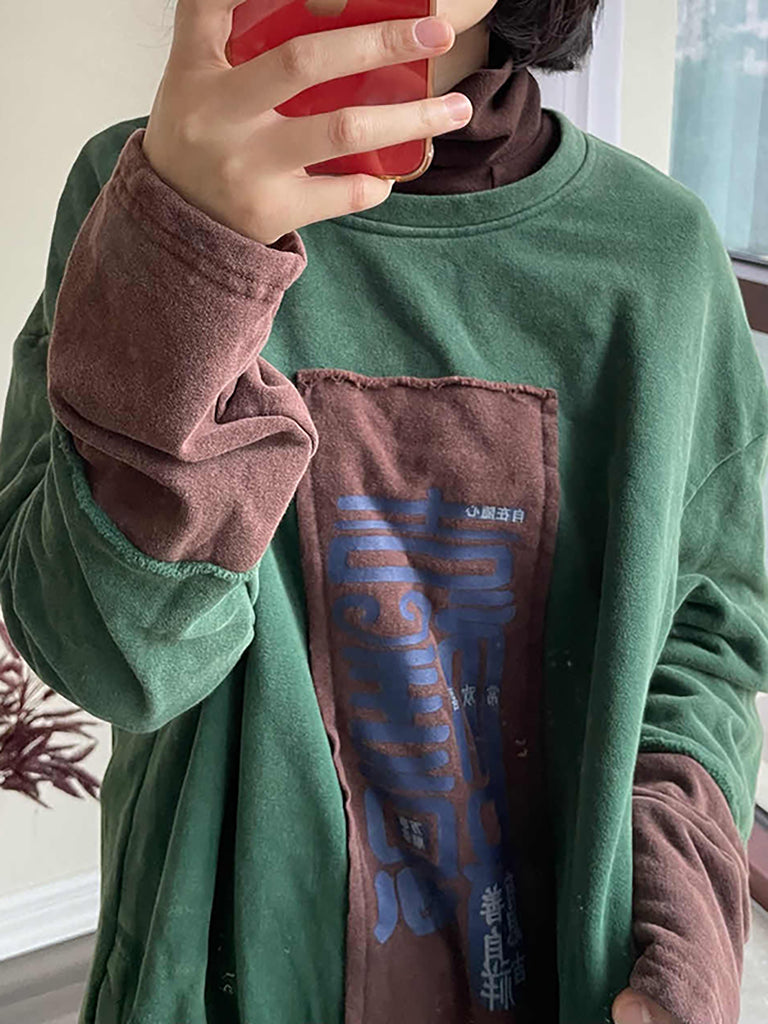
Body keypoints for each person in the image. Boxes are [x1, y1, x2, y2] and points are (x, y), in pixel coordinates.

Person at [0, 1, 765, 1022]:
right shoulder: (140, 196)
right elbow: (110, 659)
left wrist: (684, 921)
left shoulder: (659, 256)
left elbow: (704, 639)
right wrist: (193, 255)